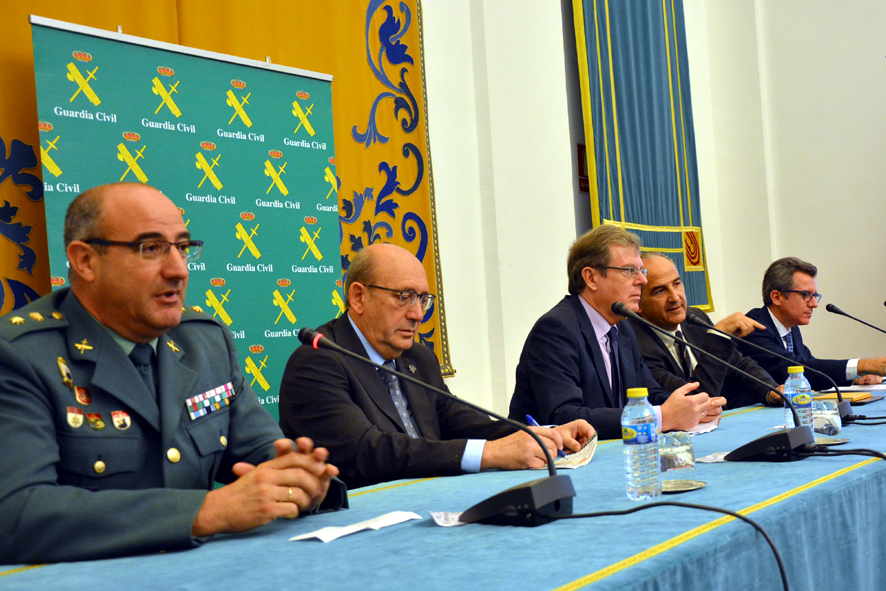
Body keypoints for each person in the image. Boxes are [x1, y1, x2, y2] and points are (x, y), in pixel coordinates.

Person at [0, 183, 345, 565]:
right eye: (151, 248)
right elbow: (16, 513)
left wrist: (303, 480)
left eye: (182, 247)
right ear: (85, 261)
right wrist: (205, 511)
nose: (178, 270)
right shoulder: (21, 355)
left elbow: (266, 453)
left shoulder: (205, 342)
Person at [278, 243, 594, 490]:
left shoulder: (417, 358)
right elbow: (367, 454)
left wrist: (542, 434)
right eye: (404, 297)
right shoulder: (317, 362)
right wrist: (492, 454)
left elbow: (463, 422)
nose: (417, 314)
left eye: (422, 299)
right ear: (358, 297)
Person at [508, 225, 719, 440]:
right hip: (549, 457)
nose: (642, 280)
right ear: (591, 278)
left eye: (641, 271)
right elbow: (565, 416)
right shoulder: (556, 329)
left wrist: (692, 408)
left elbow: (650, 394)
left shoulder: (622, 327)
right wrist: (660, 417)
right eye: (630, 271)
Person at [632, 252, 781, 409]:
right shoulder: (636, 343)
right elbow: (693, 401)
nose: (675, 298)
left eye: (676, 284)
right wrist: (718, 336)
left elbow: (738, 365)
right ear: (638, 302)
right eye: (660, 291)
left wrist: (772, 391)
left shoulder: (694, 317)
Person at [741, 257, 885, 390]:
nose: (814, 304)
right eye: (806, 295)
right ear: (777, 297)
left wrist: (855, 377)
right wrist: (863, 365)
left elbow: (812, 370)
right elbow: (790, 368)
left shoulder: (791, 329)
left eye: (815, 296)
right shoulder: (753, 328)